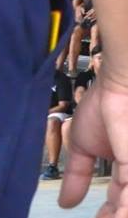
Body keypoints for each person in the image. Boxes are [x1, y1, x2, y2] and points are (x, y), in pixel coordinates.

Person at [41, 51, 98, 182]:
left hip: (57, 112)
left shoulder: (60, 78)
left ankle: (55, 166)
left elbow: (63, 105)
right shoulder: (32, 80)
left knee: (55, 122)